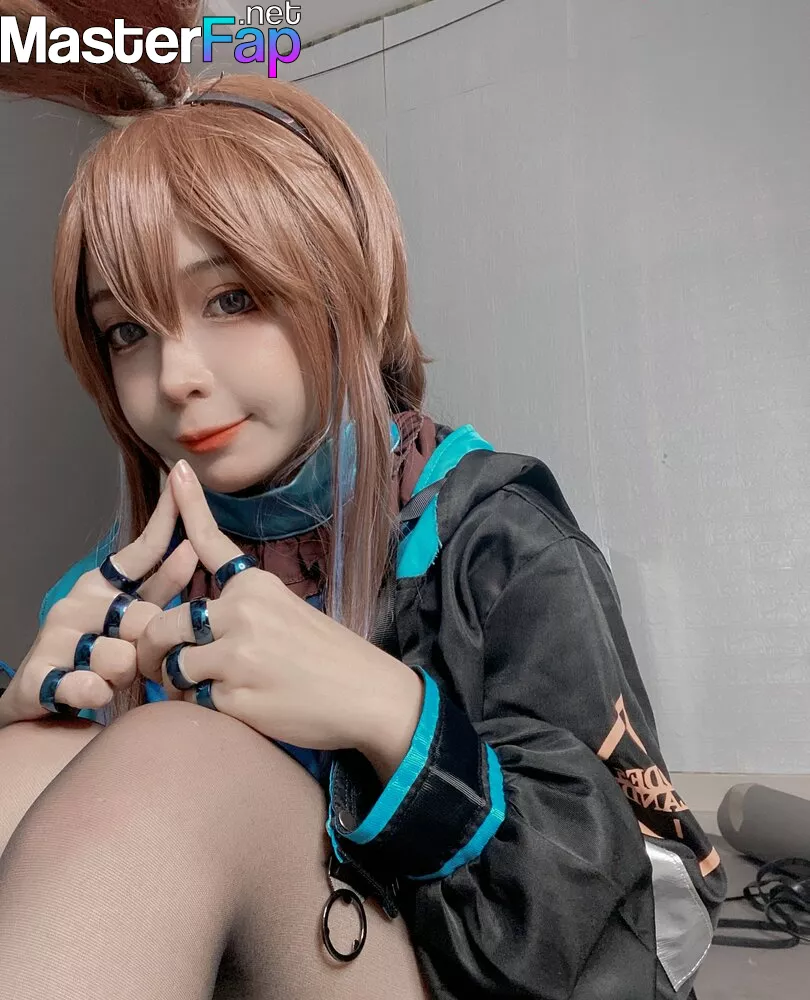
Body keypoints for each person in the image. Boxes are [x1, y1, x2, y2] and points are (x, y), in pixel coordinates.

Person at [0, 7, 725, 998]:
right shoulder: (121, 585)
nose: (174, 377)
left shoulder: (501, 541)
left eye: (232, 299)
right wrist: (27, 719)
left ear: (353, 288)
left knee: (173, 754)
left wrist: (395, 718)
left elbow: (640, 930)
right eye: (127, 332)